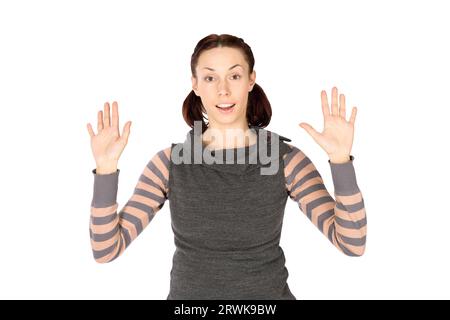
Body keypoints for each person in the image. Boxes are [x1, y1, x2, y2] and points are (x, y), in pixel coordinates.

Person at [86, 34, 367, 300]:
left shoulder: (285, 160)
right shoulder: (169, 164)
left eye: (234, 75)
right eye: (210, 77)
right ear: (195, 84)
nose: (223, 89)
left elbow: (352, 243)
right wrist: (106, 170)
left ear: (250, 80)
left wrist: (341, 161)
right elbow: (106, 249)